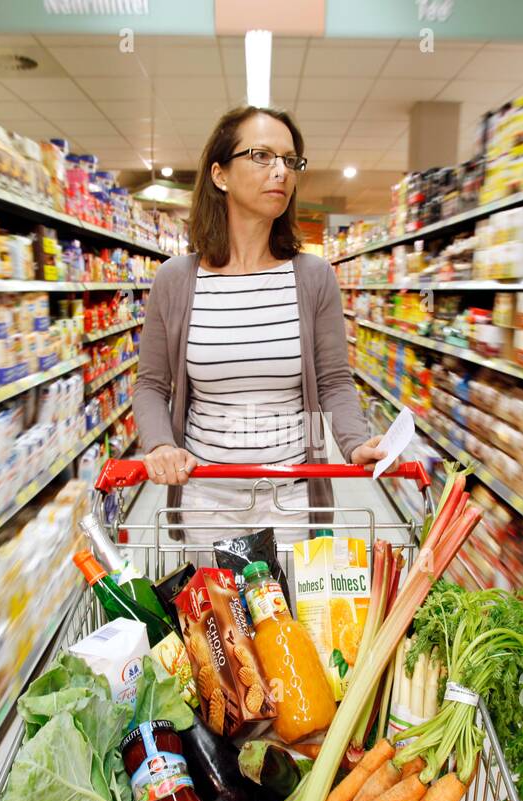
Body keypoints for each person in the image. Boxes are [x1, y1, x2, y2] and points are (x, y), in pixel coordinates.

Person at [132, 105, 387, 543]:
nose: (281, 172)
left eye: (290, 160)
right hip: (205, 500)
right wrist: (159, 445)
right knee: (215, 613)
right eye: (262, 156)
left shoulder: (313, 276)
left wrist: (355, 442)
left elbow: (334, 382)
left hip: (292, 500)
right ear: (220, 175)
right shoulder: (176, 279)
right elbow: (152, 385)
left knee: (292, 614)